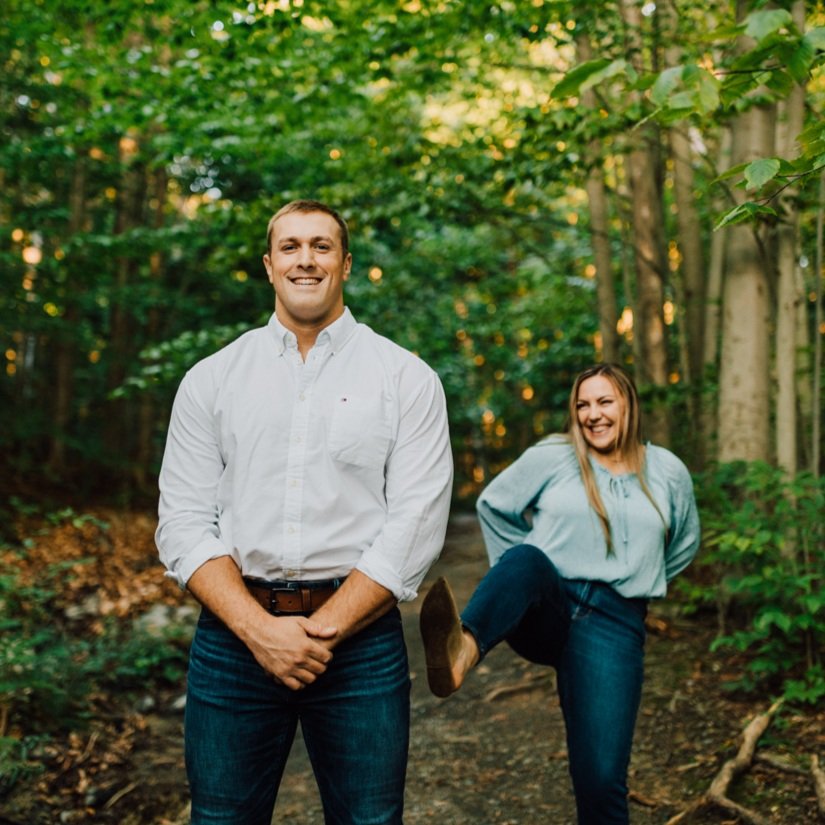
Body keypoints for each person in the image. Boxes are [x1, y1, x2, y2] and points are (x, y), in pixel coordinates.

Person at [156, 199, 453, 825]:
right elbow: (182, 522)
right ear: (269, 266)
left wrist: (323, 631)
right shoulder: (211, 379)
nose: (306, 259)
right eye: (290, 247)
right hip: (233, 644)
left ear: (345, 262)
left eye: (322, 246)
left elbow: (417, 523)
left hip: (361, 648)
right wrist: (259, 631)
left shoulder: (406, 378)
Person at [419, 363, 699, 825]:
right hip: (549, 603)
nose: (593, 414)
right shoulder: (556, 456)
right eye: (582, 405)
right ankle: (461, 652)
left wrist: (641, 576)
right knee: (527, 559)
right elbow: (494, 505)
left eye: (604, 401)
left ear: (627, 404)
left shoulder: (667, 470)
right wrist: (517, 587)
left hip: (614, 625)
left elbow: (684, 542)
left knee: (603, 779)